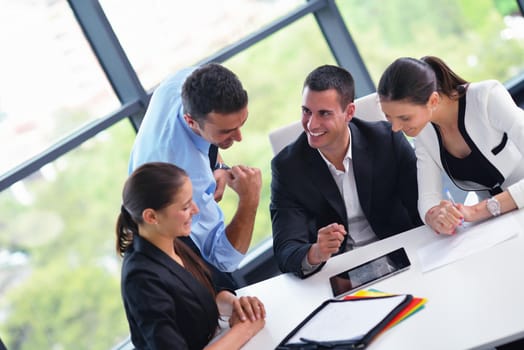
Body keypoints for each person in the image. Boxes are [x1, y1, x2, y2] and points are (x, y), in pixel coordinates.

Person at [270, 65, 423, 278]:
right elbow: (285, 250)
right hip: (339, 270)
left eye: (324, 113)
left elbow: (422, 205)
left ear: (349, 112)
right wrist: (315, 252)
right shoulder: (287, 167)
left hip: (400, 252)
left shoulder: (386, 140)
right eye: (306, 111)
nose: (311, 124)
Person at [128, 63, 261, 274]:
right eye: (226, 131)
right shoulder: (189, 177)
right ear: (191, 121)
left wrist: (219, 164)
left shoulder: (187, 82)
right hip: (166, 237)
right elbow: (222, 258)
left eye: (242, 123)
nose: (239, 138)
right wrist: (250, 199)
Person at [117, 162, 265, 349]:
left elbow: (202, 295)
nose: (195, 210)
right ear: (151, 217)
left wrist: (237, 306)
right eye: (185, 207)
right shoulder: (140, 279)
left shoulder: (174, 241)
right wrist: (245, 330)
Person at [377, 56, 524, 235]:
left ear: (433, 101)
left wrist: (478, 210)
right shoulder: (423, 131)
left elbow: (476, 211)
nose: (395, 128)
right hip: (493, 226)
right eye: (388, 117)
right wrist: (436, 216)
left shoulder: (487, 96)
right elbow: (427, 198)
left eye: (404, 118)